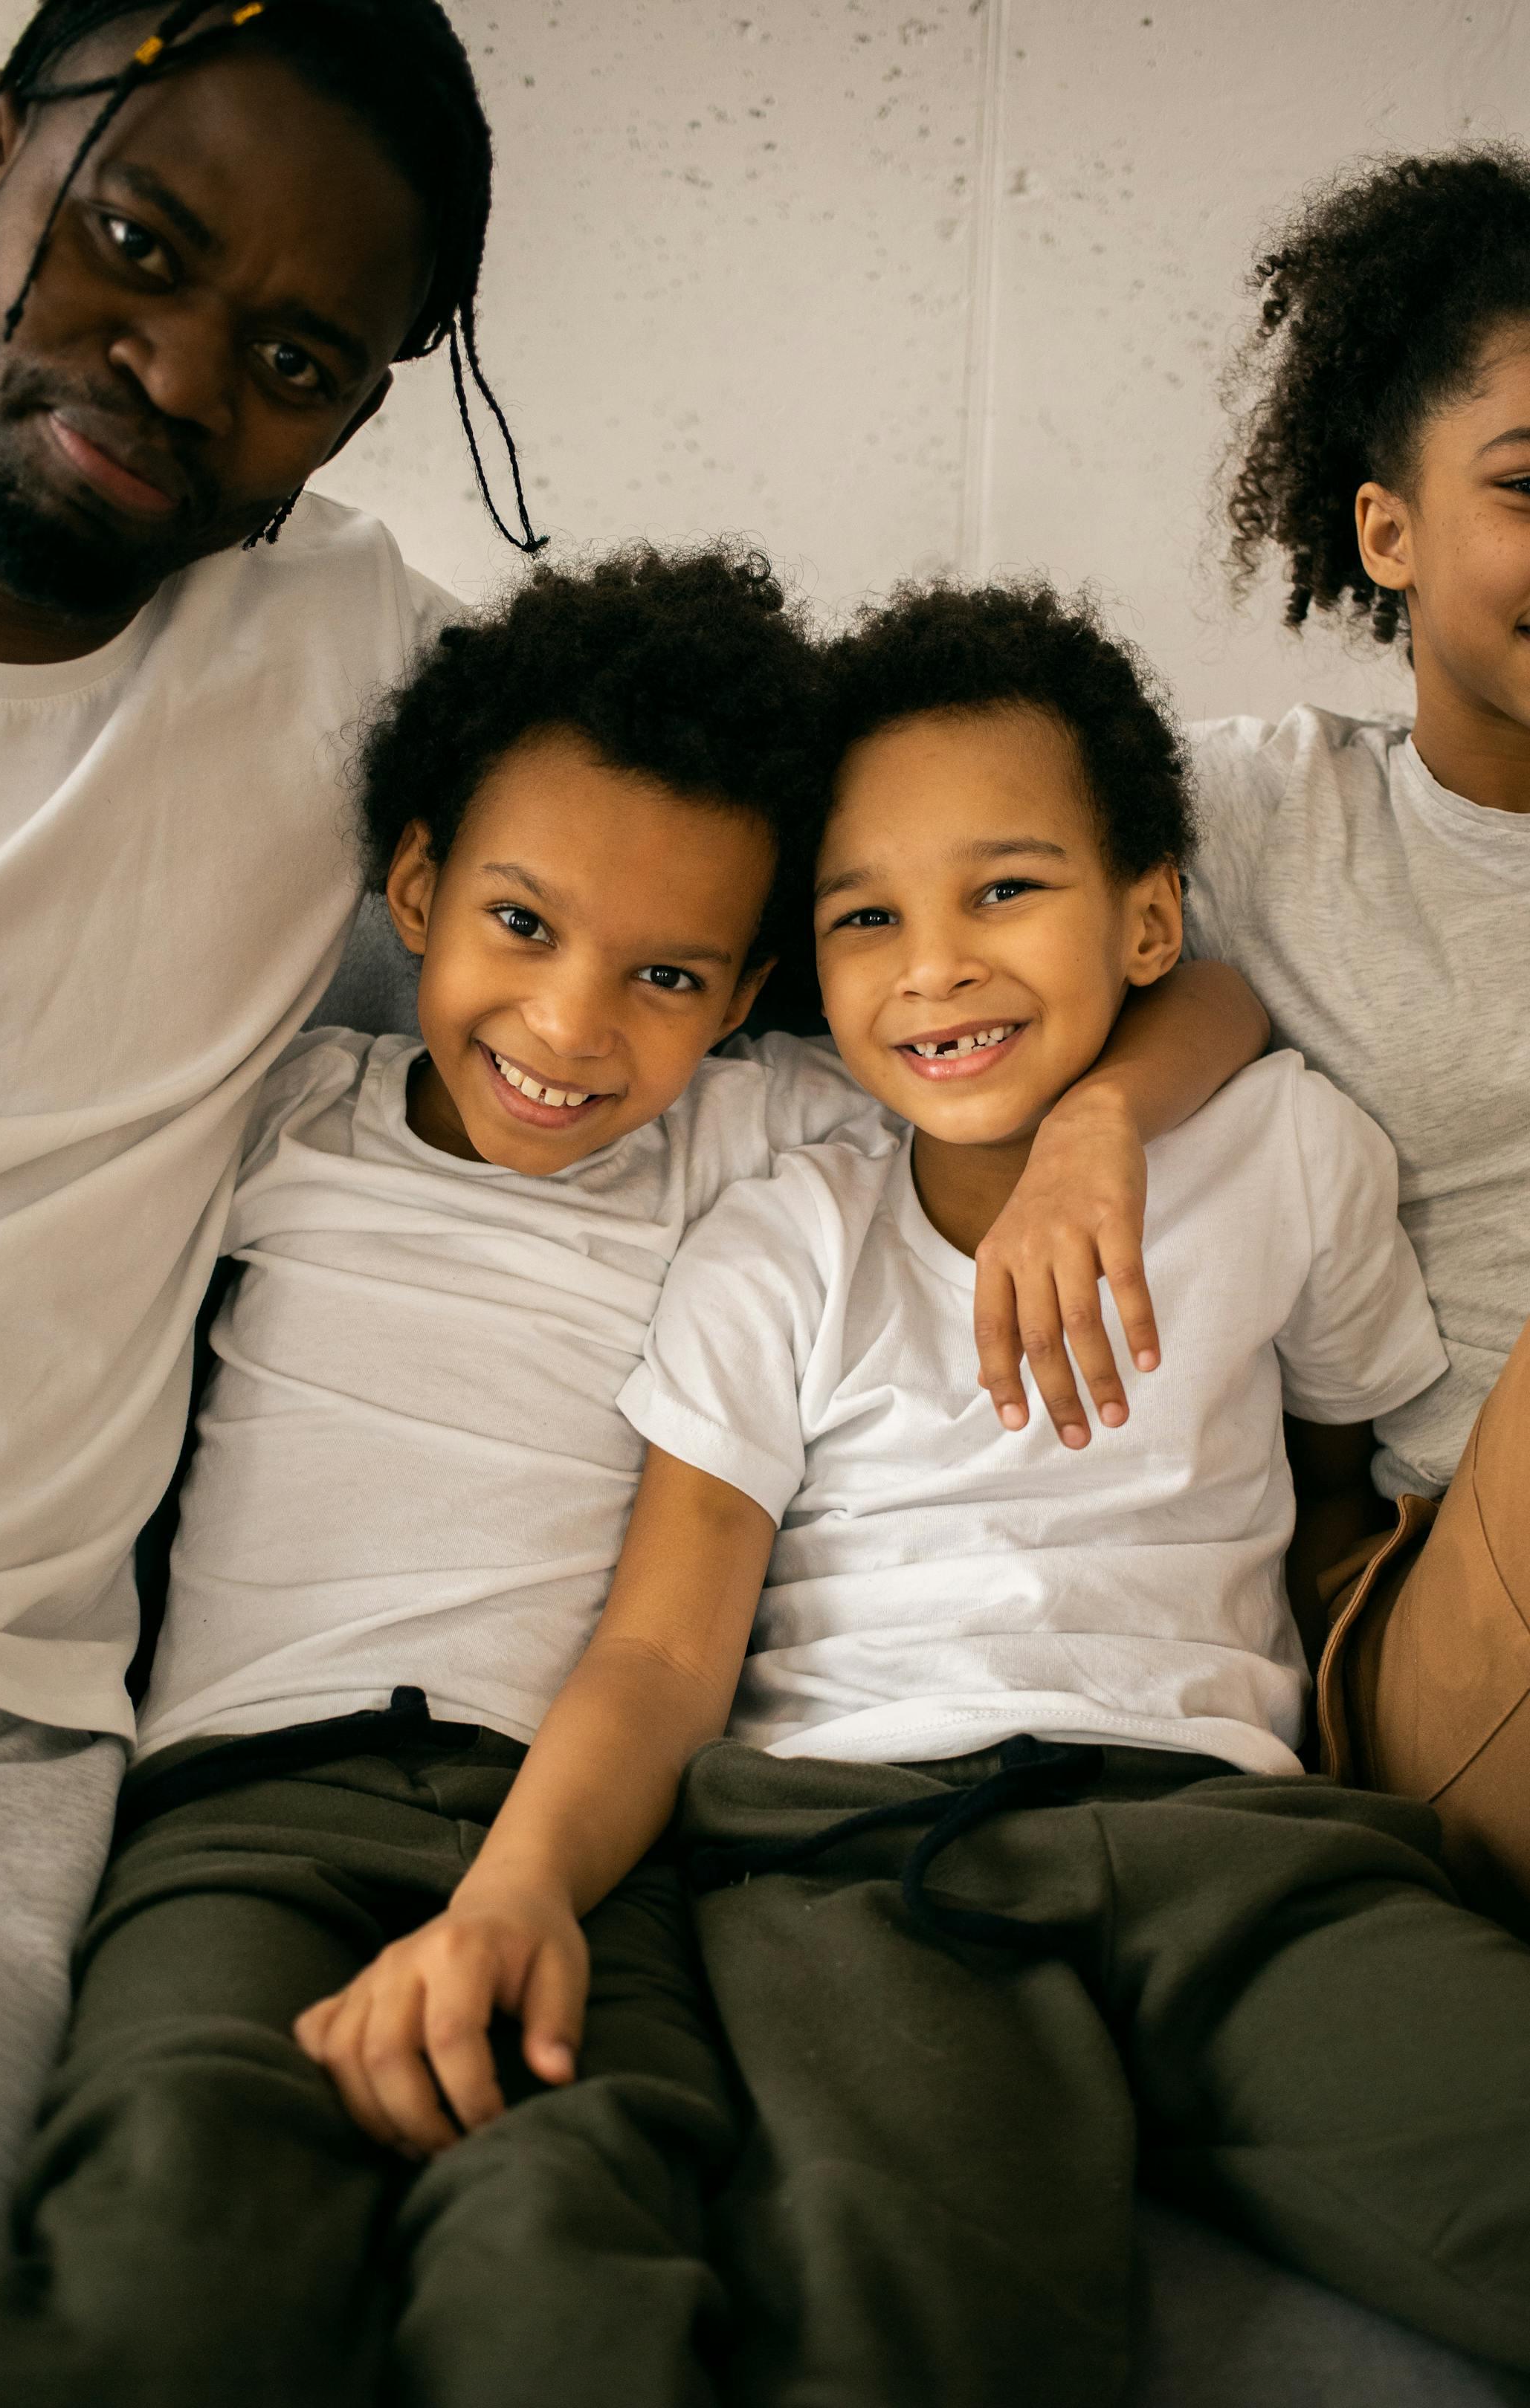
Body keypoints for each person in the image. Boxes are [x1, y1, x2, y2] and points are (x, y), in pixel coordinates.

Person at [0, 548, 1272, 2407]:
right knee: (167, 2214)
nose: (576, 1029)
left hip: (598, 1836)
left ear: (747, 991)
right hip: (241, 1816)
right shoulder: (277, 1122)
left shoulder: (760, 1141)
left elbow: (1205, 999)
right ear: (414, 890)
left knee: (574, 2241)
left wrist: (1095, 1134)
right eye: (520, 927)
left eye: (665, 975)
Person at [301, 581, 1530, 2407]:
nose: (933, 966)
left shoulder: (1289, 1149)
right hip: (859, 1864)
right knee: (918, 2309)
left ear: (1148, 919)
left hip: (1236, 1843)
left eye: (1003, 891)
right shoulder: (781, 1234)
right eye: (864, 918)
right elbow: (659, 1650)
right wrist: (521, 1889)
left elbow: (1342, 1491)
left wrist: (1115, 1124)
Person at [0, 0, 547, 2392]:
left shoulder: (346, 657)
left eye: (290, 355)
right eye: (130, 244)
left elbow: (826, 892)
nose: (173, 371)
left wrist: (1132, 1089)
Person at [1184, 146, 1530, 1928]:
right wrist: (1108, 1114)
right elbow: (940, 907)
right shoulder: (1267, 820)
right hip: (1456, 1606)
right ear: (1388, 527)